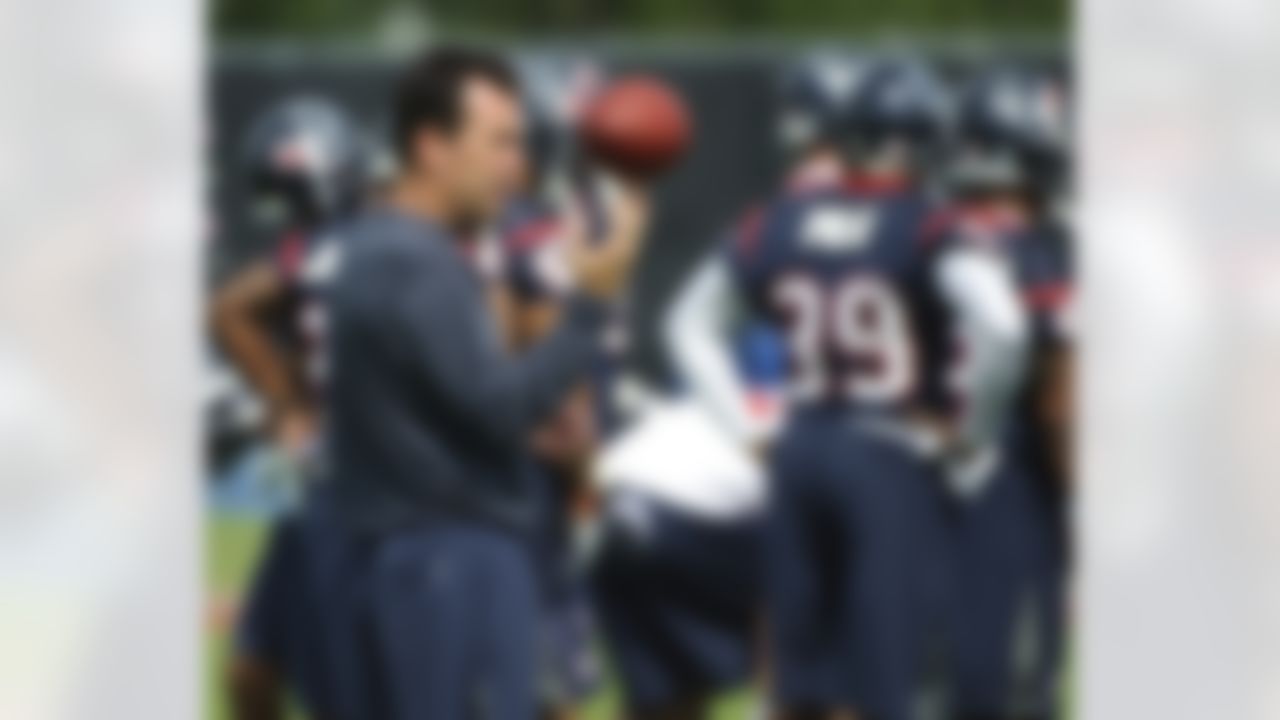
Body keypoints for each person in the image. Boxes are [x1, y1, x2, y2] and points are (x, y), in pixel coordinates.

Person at [323, 46, 647, 720]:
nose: (515, 165)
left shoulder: (378, 247)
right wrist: (590, 304)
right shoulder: (417, 262)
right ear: (431, 146)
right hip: (451, 563)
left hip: (404, 557)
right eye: (498, 142)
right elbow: (501, 408)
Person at [716, 57, 960, 720]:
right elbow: (997, 325)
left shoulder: (782, 216)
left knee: (803, 673)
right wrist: (973, 431)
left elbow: (692, 320)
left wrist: (751, 426)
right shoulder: (920, 220)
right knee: (884, 670)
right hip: (885, 442)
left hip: (802, 436)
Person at [210, 95, 370, 720]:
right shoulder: (324, 249)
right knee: (251, 671)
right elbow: (230, 310)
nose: (286, 223)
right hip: (327, 486)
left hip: (387, 490)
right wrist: (287, 403)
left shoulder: (387, 237)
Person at [937, 68, 1074, 720]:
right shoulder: (1034, 253)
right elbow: (1057, 399)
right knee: (1014, 686)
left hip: (910, 476)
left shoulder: (922, 235)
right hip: (1007, 483)